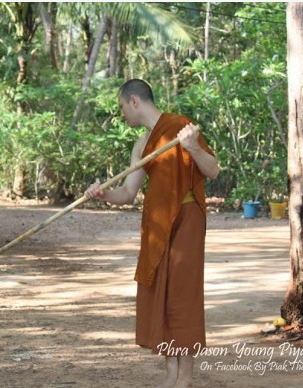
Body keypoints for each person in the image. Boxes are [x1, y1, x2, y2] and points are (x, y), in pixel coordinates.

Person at [85, 79, 218, 388]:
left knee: (183, 295)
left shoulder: (181, 127)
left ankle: (184, 377)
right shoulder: (142, 144)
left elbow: (212, 170)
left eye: (121, 107)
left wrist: (193, 147)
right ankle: (171, 373)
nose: (121, 115)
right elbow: (128, 193)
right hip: (158, 225)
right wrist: (103, 195)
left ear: (134, 101)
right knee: (163, 293)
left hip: (186, 220)